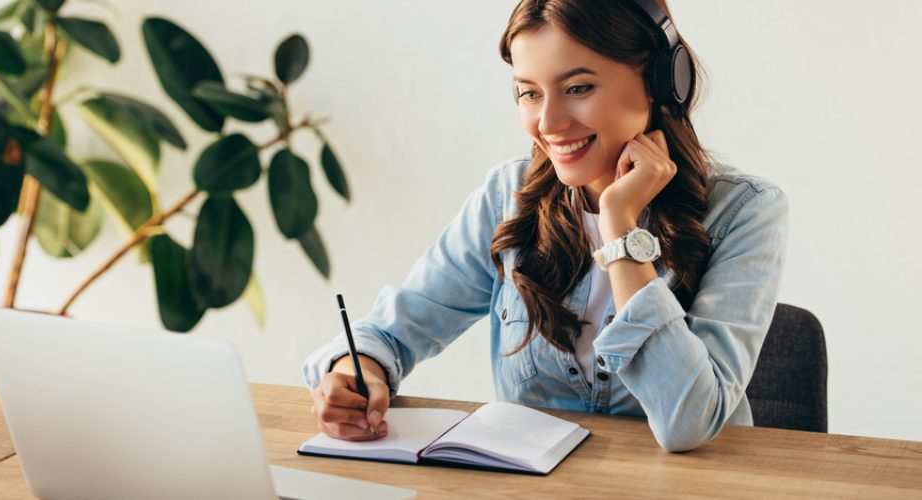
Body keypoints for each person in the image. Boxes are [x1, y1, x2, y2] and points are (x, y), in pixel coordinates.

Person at [302, 0, 788, 452]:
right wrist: (354, 370)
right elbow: (392, 331)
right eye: (529, 93)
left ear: (661, 83)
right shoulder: (507, 196)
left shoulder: (745, 212)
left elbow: (689, 422)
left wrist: (620, 228)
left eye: (577, 88)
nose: (548, 122)